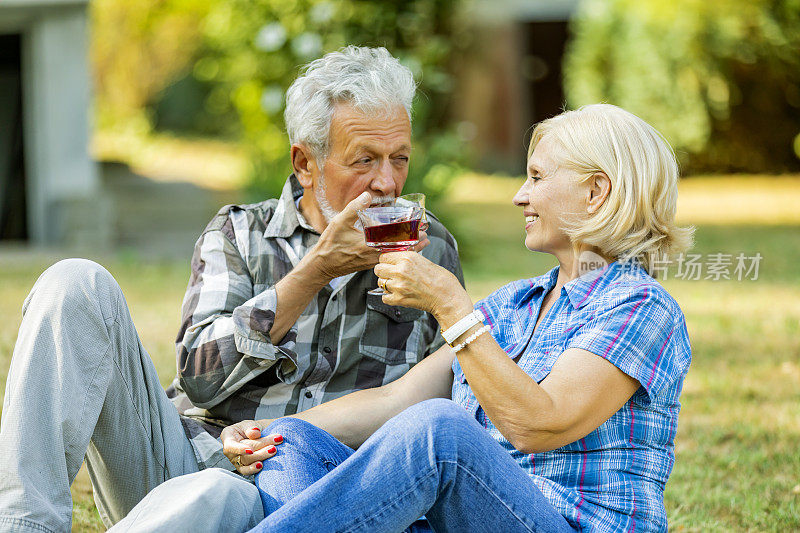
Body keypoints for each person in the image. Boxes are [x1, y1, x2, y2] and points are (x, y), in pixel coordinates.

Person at [119, 103, 693, 532]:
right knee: (296, 443)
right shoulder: (516, 304)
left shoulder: (640, 307)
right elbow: (394, 404)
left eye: (538, 178)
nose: (520, 196)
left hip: (567, 523)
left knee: (440, 432)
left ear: (597, 191)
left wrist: (450, 306)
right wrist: (266, 434)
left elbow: (538, 425)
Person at [0, 46, 463, 533]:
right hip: (180, 467)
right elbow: (199, 378)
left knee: (221, 494)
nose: (387, 182)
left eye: (400, 159)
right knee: (74, 282)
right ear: (305, 163)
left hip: (312, 496)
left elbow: (443, 401)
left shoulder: (430, 250)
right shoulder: (240, 235)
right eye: (365, 160)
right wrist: (316, 270)